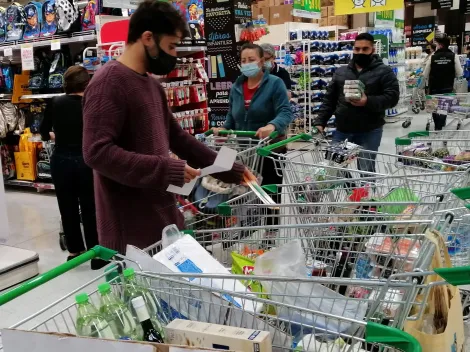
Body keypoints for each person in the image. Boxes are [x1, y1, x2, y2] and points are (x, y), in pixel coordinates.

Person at [82, 0, 246, 253]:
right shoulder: (108, 83)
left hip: (162, 222)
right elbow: (96, 152)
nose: (175, 55)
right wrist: (167, 169)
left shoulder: (151, 85)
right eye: (171, 46)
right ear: (148, 38)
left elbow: (177, 138)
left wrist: (231, 170)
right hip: (130, 236)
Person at [40, 66, 104, 269]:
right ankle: (96, 255)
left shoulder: (55, 102)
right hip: (86, 161)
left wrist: (57, 135)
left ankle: (74, 253)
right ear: (87, 83)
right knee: (90, 209)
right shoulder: (92, 104)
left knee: (67, 208)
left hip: (60, 160)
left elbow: (43, 131)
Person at [213, 43, 292, 204]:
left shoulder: (275, 83)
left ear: (262, 62)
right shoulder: (236, 86)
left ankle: (271, 229)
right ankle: (249, 228)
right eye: (243, 60)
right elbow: (232, 114)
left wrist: (272, 126)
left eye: (251, 59)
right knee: (244, 197)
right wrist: (224, 128)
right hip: (245, 151)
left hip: (269, 150)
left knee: (270, 197)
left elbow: (285, 111)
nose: (247, 64)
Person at [314, 32, 399, 174]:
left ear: (372, 50)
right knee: (334, 169)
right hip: (343, 130)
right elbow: (330, 99)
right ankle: (351, 193)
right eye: (357, 49)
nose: (360, 52)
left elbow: (392, 97)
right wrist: (320, 122)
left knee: (366, 170)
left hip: (370, 130)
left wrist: (367, 101)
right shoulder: (341, 72)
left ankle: (365, 195)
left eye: (365, 49)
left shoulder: (384, 72)